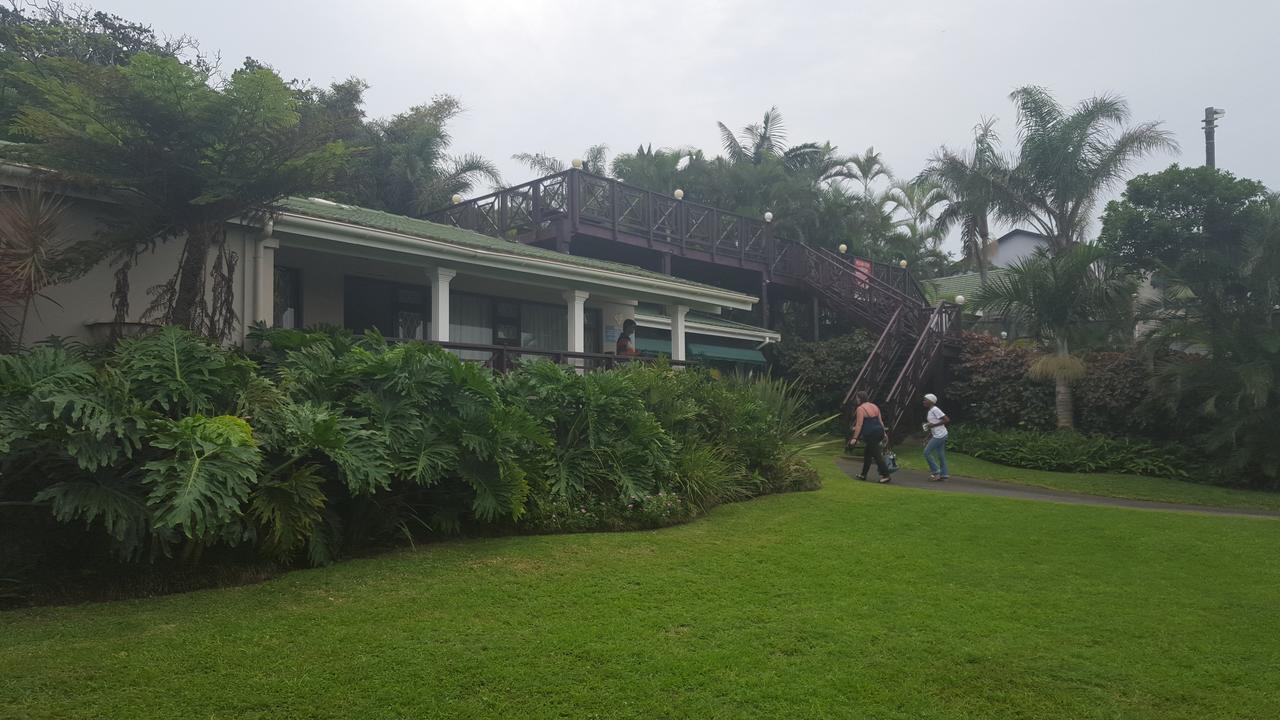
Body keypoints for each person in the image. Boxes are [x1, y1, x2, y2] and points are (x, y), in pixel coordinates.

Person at [848, 391, 893, 483]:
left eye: (857, 398)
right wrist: (884, 434)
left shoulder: (860, 408)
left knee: (877, 455)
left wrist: (854, 438)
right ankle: (863, 474)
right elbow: (881, 422)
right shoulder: (875, 406)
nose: (856, 400)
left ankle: (886, 475)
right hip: (879, 431)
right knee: (868, 453)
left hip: (871, 434)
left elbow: (859, 425)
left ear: (860, 398)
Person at [922, 393, 950, 481]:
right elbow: (932, 426)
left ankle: (936, 473)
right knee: (941, 454)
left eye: (925, 400)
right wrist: (927, 437)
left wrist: (933, 425)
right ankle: (944, 474)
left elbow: (946, 419)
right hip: (940, 434)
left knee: (926, 452)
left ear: (931, 401)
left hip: (940, 435)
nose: (924, 401)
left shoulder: (935, 409)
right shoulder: (931, 410)